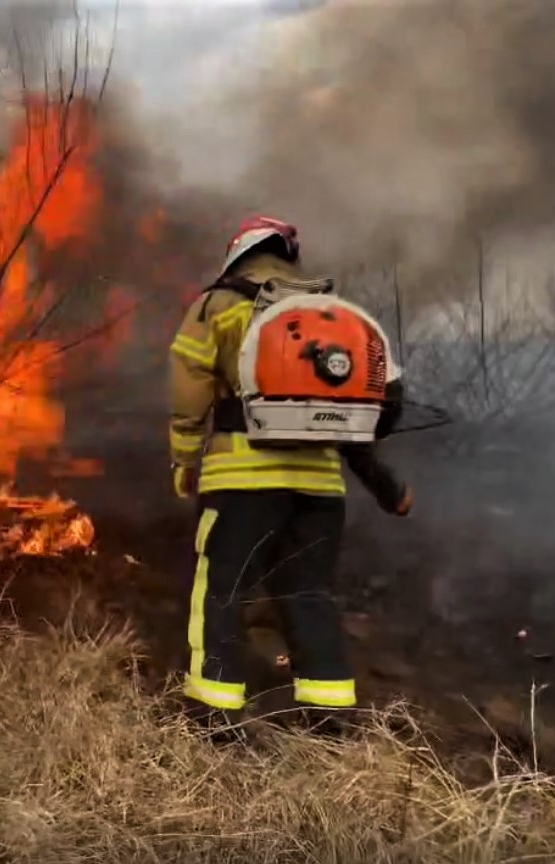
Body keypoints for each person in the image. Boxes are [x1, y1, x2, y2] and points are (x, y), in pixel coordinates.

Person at [167, 215, 412, 736]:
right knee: (308, 594)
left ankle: (216, 713)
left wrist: (185, 460)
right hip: (320, 489)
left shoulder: (219, 305)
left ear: (238, 254)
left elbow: (189, 391)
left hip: (241, 481)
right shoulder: (335, 315)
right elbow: (377, 403)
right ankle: (329, 716)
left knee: (223, 592)